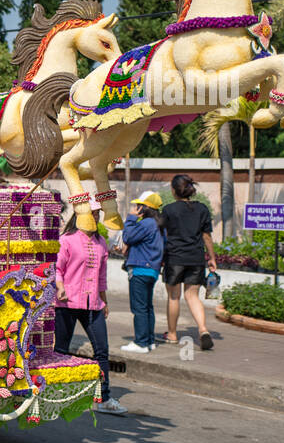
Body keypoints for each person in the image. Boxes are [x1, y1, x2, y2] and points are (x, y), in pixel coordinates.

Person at [55, 201, 126, 415]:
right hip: (66, 302)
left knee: (102, 351)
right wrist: (60, 288)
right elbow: (57, 269)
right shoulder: (66, 241)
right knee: (60, 351)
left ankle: (103, 397)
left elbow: (101, 276)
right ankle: (56, 393)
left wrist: (104, 301)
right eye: (92, 213)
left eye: (97, 214)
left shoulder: (101, 242)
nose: (95, 217)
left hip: (93, 304)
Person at [161, 173, 217, 351]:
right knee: (192, 296)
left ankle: (172, 334)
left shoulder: (169, 210)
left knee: (174, 297)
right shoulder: (202, 209)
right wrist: (212, 258)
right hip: (196, 258)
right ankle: (203, 330)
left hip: (175, 258)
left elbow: (164, 235)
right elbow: (206, 236)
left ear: (173, 190)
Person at [121, 191, 166, 354]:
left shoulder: (146, 223)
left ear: (145, 208)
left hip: (140, 269)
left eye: (138, 206)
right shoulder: (158, 225)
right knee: (147, 307)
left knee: (139, 307)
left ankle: (140, 343)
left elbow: (128, 236)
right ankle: (149, 340)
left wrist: (131, 219)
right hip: (152, 270)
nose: (135, 208)